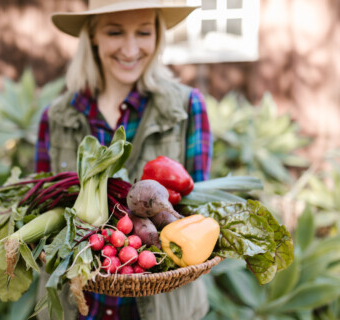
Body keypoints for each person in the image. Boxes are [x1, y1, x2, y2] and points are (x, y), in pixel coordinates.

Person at [34, 0, 212, 319]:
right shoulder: (56, 117)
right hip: (76, 305)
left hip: (163, 308)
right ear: (93, 37)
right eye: (115, 32)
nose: (130, 49)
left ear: (157, 36)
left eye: (143, 32)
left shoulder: (188, 108)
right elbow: (41, 209)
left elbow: (197, 212)